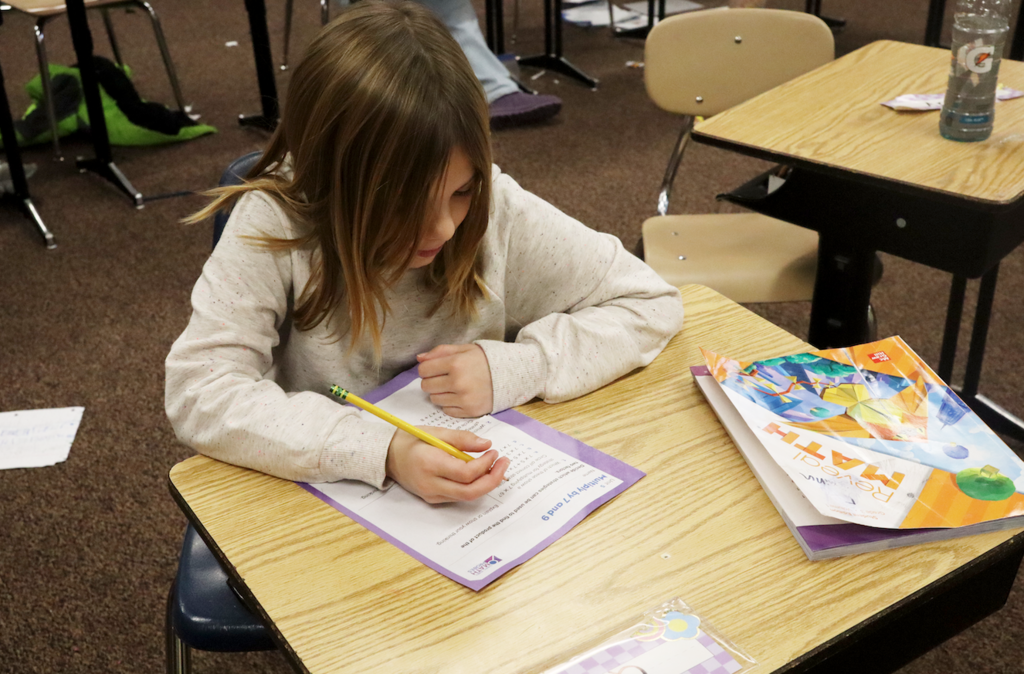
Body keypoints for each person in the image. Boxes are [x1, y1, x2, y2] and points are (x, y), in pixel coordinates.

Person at [165, 0, 684, 505]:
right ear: (332, 181)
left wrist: (522, 366)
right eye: (403, 201)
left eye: (461, 191)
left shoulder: (495, 208)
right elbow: (198, 391)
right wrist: (383, 449)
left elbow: (651, 303)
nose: (441, 228)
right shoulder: (278, 218)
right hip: (318, 499)